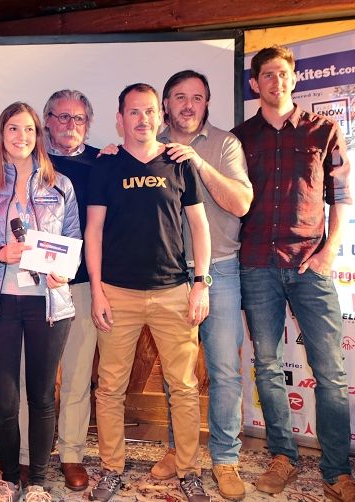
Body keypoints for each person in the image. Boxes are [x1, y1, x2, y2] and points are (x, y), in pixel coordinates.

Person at [231, 45, 354, 501]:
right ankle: (283, 456)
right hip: (256, 264)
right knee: (267, 366)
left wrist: (329, 252)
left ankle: (337, 471)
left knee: (331, 373)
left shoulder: (325, 130)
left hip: (310, 264)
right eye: (267, 74)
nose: (275, 81)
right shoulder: (240, 138)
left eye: (282, 73)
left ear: (294, 78)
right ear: (255, 84)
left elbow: (341, 197)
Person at [86, 84, 211, 502]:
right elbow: (94, 231)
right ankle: (111, 469)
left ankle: (189, 471)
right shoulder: (106, 166)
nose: (143, 119)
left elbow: (199, 227)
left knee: (185, 387)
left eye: (150, 111)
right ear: (120, 119)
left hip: (173, 292)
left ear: (161, 116)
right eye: (134, 112)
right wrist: (97, 291)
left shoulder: (179, 162)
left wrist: (201, 283)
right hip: (116, 293)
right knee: (110, 388)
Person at [144, 71, 252, 501]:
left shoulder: (225, 144)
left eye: (197, 98)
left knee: (224, 371)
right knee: (178, 374)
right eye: (179, 97)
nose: (188, 105)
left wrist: (198, 162)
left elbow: (241, 204)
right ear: (166, 104)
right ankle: (179, 451)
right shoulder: (149, 143)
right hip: (170, 275)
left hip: (219, 271)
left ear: (206, 104)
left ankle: (225, 459)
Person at [0, 102, 80, 502]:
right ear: (1, 135)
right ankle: (11, 480)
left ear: (38, 135)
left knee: (43, 397)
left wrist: (64, 271)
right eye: (13, 128)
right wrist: (0, 254)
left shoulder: (60, 185)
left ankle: (38, 483)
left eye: (28, 129)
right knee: (4, 401)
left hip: (48, 305)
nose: (21, 136)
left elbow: (73, 243)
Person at [43, 89, 102, 491]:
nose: (69, 125)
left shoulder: (103, 162)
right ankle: (28, 454)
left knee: (78, 376)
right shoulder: (30, 161)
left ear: (88, 124)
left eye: (78, 118)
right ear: (47, 121)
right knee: (34, 376)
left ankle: (71, 454)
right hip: (36, 285)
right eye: (62, 117)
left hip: (82, 285)